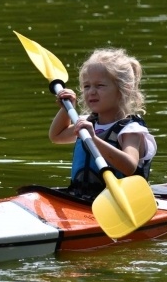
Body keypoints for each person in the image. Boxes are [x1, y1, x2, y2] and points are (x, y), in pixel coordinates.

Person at [48, 47, 156, 199]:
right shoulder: (87, 123)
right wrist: (66, 109)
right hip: (81, 197)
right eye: (87, 86)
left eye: (99, 86)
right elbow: (56, 136)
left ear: (123, 89)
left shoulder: (131, 130)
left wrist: (94, 139)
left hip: (120, 201)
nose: (91, 91)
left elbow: (129, 167)